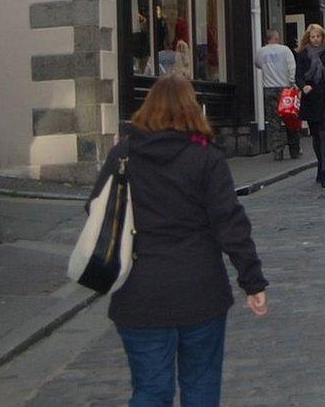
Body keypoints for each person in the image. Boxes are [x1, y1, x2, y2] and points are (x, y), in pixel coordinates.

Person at [88, 74, 268, 406]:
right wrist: (252, 281)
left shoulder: (124, 155)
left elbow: (96, 208)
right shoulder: (205, 156)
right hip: (199, 289)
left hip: (140, 289)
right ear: (193, 108)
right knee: (200, 385)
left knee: (150, 390)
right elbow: (230, 222)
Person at [295, 24, 325, 187]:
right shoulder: (302, 55)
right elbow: (298, 75)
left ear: (323, 37)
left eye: (318, 36)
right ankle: (320, 163)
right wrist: (303, 86)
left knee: (324, 134)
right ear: (309, 38)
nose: (315, 39)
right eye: (312, 37)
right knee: (315, 135)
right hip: (311, 98)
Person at [256, 29, 300, 161]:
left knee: (274, 121)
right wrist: (293, 82)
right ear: (276, 37)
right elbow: (292, 66)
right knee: (290, 119)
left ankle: (278, 152)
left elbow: (257, 64)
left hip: (268, 88)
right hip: (285, 88)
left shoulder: (261, 51)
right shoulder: (285, 50)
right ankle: (294, 150)